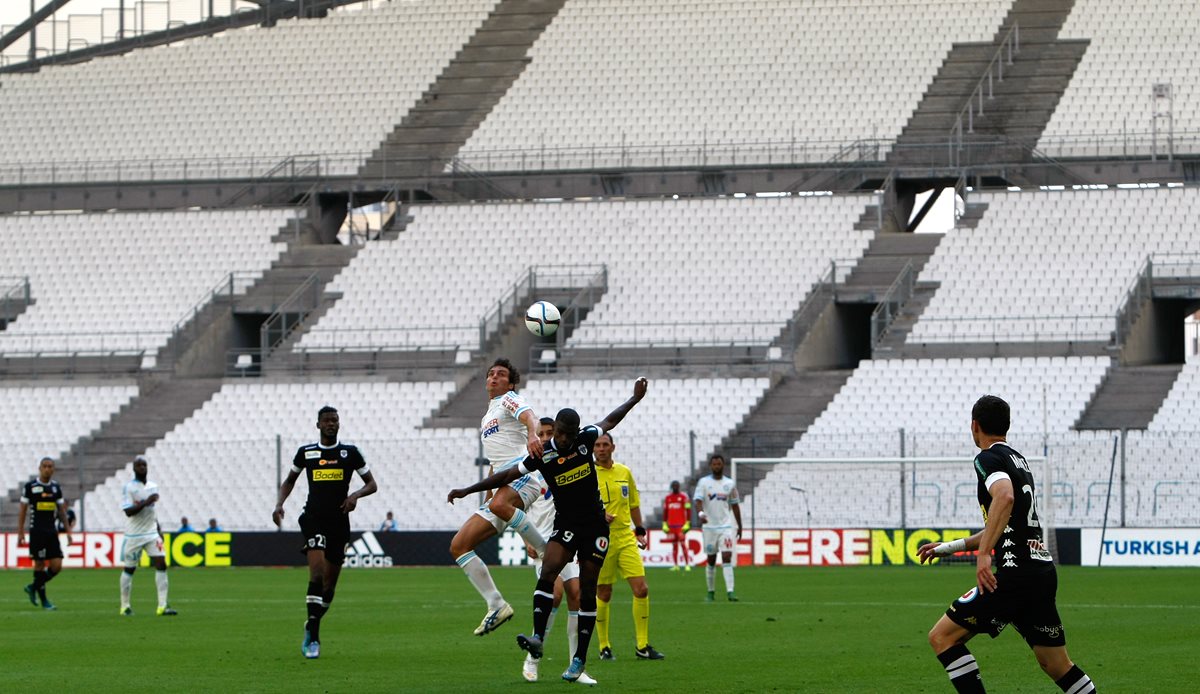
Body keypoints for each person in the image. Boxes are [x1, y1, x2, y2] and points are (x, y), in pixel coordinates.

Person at [449, 377, 648, 684]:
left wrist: (634, 399)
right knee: (548, 573)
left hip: (594, 526)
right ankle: (537, 639)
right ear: (555, 430)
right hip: (566, 526)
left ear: (577, 432)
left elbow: (610, 419)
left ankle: (580, 658)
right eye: (560, 433)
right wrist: (468, 489)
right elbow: (505, 474)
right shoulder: (544, 453)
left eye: (569, 434)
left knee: (586, 592)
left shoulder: (586, 438)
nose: (565, 439)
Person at [918, 395, 1096, 694]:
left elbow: (1005, 497)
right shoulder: (1018, 459)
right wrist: (949, 547)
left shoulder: (986, 458)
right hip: (1040, 572)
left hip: (1014, 575)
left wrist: (984, 555)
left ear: (974, 425)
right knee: (1056, 665)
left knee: (942, 638)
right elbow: (1001, 525)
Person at [448, 358, 547, 637]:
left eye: (500, 375)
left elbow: (531, 417)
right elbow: (495, 461)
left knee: (500, 504)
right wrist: (488, 495)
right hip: (502, 487)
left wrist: (532, 435)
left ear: (510, 382)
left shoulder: (510, 400)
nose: (493, 378)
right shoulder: (487, 416)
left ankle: (545, 551)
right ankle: (496, 604)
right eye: (490, 374)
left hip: (523, 478)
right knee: (459, 546)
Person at [273, 405, 378, 659]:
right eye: (327, 420)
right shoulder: (306, 453)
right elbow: (289, 481)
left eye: (335, 420)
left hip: (339, 523)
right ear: (318, 425)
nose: (332, 424)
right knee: (317, 574)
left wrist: (355, 495)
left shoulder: (350, 453)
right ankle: (314, 638)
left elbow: (372, 484)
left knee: (329, 588)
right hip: (313, 519)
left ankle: (312, 622)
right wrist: (279, 504)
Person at [521, 417, 595, 686]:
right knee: (555, 595)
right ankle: (533, 658)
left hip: (569, 537)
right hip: (542, 543)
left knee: (576, 594)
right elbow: (518, 510)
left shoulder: (565, 457)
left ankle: (577, 664)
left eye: (549, 433)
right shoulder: (532, 470)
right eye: (540, 433)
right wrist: (524, 538)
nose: (544, 437)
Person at [594, 432, 664, 661]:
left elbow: (633, 503)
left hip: (625, 537)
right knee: (604, 593)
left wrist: (640, 529)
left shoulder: (624, 472)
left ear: (613, 447)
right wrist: (598, 515)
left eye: (605, 444)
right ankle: (604, 646)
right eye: (597, 445)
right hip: (600, 540)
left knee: (641, 589)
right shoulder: (587, 475)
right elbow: (579, 507)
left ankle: (642, 646)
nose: (601, 448)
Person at [119, 456, 177, 616]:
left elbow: (153, 511)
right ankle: (125, 607)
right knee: (129, 569)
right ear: (134, 469)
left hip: (152, 533)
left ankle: (162, 606)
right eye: (138, 465)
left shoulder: (153, 486)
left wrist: (159, 530)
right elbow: (128, 512)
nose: (142, 467)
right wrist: (146, 501)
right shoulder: (128, 488)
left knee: (161, 564)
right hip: (134, 535)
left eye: (144, 464)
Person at [18, 457, 72, 610]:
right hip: (37, 532)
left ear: (53, 469)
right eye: (45, 466)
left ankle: (33, 586)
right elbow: (23, 509)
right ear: (40, 468)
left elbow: (61, 511)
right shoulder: (30, 486)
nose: (48, 469)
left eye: (50, 466)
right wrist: (20, 531)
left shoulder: (55, 487)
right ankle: (45, 602)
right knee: (40, 565)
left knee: (57, 565)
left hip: (51, 532)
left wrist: (68, 531)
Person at [693, 454, 742, 602]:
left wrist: (740, 525)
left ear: (723, 465)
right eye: (714, 464)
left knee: (727, 557)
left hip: (726, 526)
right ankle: (711, 592)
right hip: (709, 527)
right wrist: (701, 513)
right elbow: (698, 501)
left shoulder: (730, 484)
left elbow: (735, 505)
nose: (716, 466)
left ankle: (730, 592)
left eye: (719, 464)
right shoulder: (703, 483)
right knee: (711, 559)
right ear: (710, 466)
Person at [661, 480, 692, 571]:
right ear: (672, 487)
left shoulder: (684, 497)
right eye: (673, 485)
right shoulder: (668, 498)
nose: (675, 487)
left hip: (680, 526)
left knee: (683, 544)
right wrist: (664, 523)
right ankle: (676, 565)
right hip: (671, 525)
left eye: (676, 485)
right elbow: (665, 511)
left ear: (679, 487)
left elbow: (688, 510)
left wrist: (688, 522)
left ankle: (687, 564)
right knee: (674, 545)